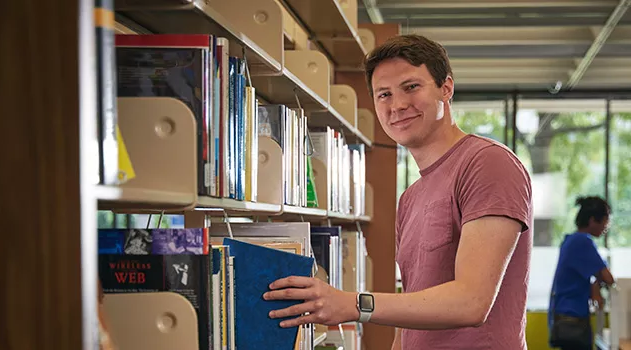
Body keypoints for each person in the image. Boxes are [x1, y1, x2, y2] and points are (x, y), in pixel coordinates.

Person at [263, 34, 534, 349]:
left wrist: (353, 304)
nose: (398, 105)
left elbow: (471, 301)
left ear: (446, 88)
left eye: (411, 87)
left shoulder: (487, 164)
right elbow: (409, 314)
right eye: (384, 94)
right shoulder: (411, 198)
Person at [549, 196, 616, 350]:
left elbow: (593, 275)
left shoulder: (570, 240)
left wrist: (594, 284)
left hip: (564, 315)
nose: (607, 226)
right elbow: (608, 278)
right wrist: (597, 283)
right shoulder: (582, 241)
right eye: (606, 220)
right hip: (572, 319)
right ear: (593, 220)